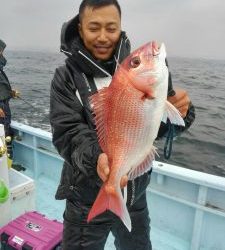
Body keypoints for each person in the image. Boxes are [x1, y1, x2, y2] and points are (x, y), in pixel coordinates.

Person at [50, 1, 195, 249]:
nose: (103, 37)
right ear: (81, 29)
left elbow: (159, 128)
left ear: (120, 28)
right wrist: (98, 158)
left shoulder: (148, 70)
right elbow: (68, 132)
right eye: (94, 28)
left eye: (111, 28)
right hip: (85, 197)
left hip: (135, 195)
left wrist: (183, 110)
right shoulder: (66, 77)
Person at [0, 39, 19, 138]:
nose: (2, 54)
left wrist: (10, 92)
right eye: (1, 51)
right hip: (1, 106)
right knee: (3, 133)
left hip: (4, 104)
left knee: (6, 132)